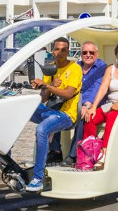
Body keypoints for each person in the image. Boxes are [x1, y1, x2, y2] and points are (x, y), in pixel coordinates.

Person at [26, 37, 83, 192]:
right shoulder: (50, 68)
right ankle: (4, 154)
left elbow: (67, 94)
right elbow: (44, 98)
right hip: (51, 111)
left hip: (66, 115)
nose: (60, 53)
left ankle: (38, 178)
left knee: (42, 130)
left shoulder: (75, 68)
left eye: (64, 49)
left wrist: (48, 86)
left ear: (68, 51)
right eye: (57, 49)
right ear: (53, 51)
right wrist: (47, 85)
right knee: (21, 109)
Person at [53, 41, 107, 166]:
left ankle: (73, 154)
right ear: (81, 54)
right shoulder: (76, 66)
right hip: (75, 101)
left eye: (91, 52)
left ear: (97, 54)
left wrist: (86, 105)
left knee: (81, 115)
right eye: (85, 52)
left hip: (93, 103)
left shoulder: (101, 67)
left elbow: (97, 89)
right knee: (53, 109)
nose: (88, 55)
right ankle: (55, 151)